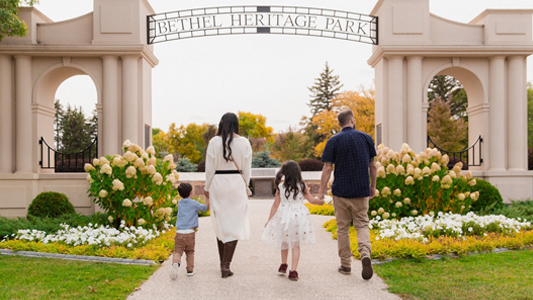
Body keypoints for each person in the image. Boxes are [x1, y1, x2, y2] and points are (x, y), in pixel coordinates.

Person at [318, 109, 378, 280]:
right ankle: (365, 253)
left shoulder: (333, 141)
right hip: (361, 191)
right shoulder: (366, 138)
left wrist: (321, 192)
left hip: (341, 192)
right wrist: (372, 186)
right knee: (362, 225)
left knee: (342, 228)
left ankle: (346, 265)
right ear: (352, 120)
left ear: (339, 124)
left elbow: (327, 168)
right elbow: (373, 166)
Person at [204, 112, 252, 278]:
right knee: (235, 223)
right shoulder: (245, 142)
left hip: (218, 182)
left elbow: (209, 167)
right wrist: (245, 185)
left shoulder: (214, 142)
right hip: (236, 183)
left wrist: (207, 187)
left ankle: (222, 263)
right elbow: (247, 169)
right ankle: (226, 265)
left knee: (221, 222)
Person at [261, 160, 324, 281]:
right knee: (295, 244)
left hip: (283, 216)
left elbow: (275, 204)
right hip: (298, 217)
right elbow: (311, 200)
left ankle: (283, 264)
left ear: (285, 172)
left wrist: (269, 220)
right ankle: (293, 271)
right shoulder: (302, 185)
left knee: (284, 242)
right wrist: (320, 201)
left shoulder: (280, 186)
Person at [170, 182, 209, 280]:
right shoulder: (194, 203)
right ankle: (190, 270)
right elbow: (204, 208)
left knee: (178, 251)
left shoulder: (180, 203)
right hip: (190, 233)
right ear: (191, 192)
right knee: (190, 252)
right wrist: (207, 198)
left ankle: (176, 263)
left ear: (179, 194)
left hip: (179, 233)